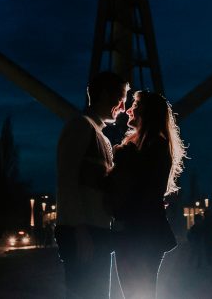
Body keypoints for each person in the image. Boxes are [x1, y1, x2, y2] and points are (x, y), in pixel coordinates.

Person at [55, 70, 130, 299]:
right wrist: (80, 230)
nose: (123, 106)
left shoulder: (98, 135)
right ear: (105, 94)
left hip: (93, 232)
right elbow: (67, 180)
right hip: (85, 232)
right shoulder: (81, 127)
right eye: (121, 98)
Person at [108, 90, 186, 299]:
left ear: (147, 111)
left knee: (137, 293)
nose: (130, 109)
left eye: (136, 104)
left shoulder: (152, 147)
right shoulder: (148, 146)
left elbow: (139, 189)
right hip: (141, 233)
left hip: (139, 234)